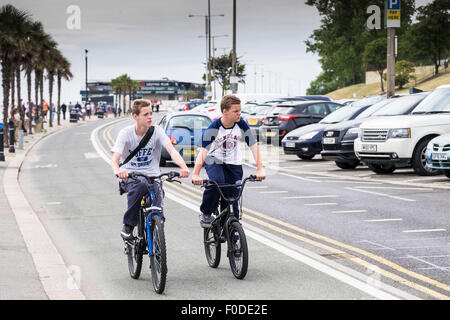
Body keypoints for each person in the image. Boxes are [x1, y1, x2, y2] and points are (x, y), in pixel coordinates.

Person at [111, 99, 190, 240]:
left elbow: (171, 151)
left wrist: (183, 167)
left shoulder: (157, 131)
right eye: (145, 114)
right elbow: (115, 159)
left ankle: (157, 238)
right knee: (141, 184)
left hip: (153, 176)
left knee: (158, 202)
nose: (150, 117)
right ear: (135, 116)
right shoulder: (126, 133)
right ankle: (128, 226)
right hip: (131, 175)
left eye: (151, 113)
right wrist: (118, 171)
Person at [192, 94, 266, 227]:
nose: (239, 114)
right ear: (225, 112)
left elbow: (253, 146)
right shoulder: (214, 127)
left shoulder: (241, 123)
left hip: (234, 162)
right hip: (214, 159)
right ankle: (206, 212)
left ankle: (234, 239)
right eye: (235, 111)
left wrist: (260, 168)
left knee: (232, 200)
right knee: (217, 182)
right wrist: (196, 174)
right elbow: (203, 152)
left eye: (240, 110)